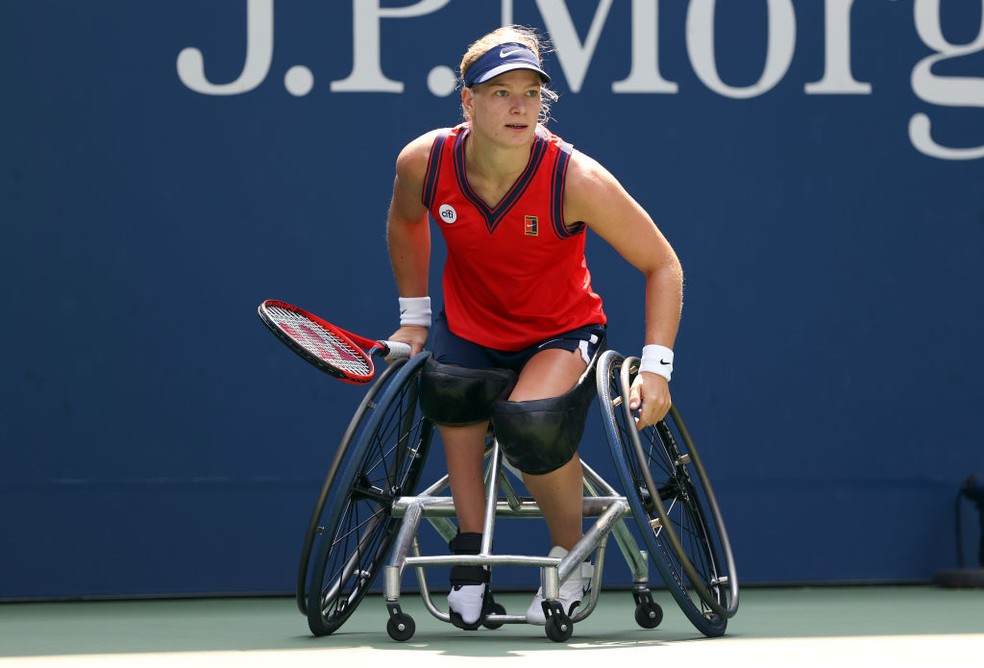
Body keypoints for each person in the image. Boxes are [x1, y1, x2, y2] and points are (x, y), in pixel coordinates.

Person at [384, 25, 683, 628]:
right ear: (467, 101)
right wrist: (414, 319)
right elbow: (405, 224)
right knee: (448, 387)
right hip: (468, 328)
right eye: (499, 92)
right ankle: (471, 559)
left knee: (532, 421)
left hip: (559, 333)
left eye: (530, 92)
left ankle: (569, 552)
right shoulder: (425, 161)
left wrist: (656, 367)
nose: (519, 106)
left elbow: (663, 264)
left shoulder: (575, 179)